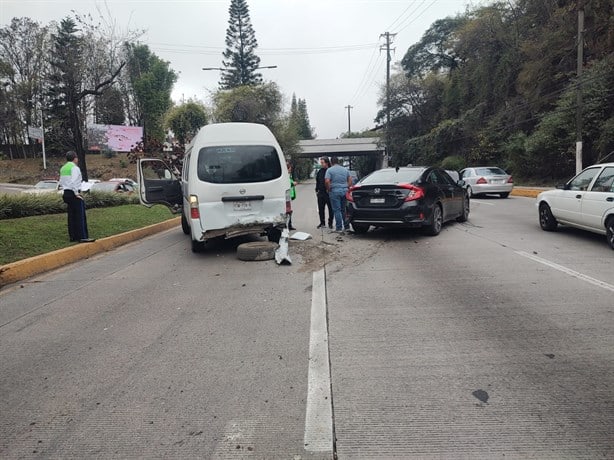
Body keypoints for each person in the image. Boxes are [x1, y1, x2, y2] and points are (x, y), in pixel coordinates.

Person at [59, 151, 94, 243]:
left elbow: (62, 182)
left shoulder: (63, 168)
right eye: (77, 158)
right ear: (75, 158)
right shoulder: (75, 168)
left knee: (71, 216)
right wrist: (77, 193)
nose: (77, 159)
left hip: (66, 193)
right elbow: (74, 182)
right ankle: (82, 236)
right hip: (74, 193)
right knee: (80, 215)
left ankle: (73, 236)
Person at [325, 156, 353, 233]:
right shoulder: (345, 169)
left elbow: (327, 181)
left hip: (334, 191)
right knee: (343, 210)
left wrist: (328, 189)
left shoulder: (329, 170)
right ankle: (347, 227)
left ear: (331, 162)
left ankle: (339, 228)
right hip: (344, 191)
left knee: (337, 210)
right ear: (338, 162)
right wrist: (347, 187)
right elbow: (350, 179)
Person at [315, 156, 333, 229]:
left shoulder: (330, 171)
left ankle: (330, 223)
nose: (321, 164)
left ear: (327, 163)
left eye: (322, 163)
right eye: (321, 163)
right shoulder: (320, 171)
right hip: (321, 193)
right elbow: (317, 181)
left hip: (329, 192)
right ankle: (322, 223)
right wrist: (316, 190)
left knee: (331, 208)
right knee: (321, 208)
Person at [287, 161, 296, 230]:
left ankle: (289, 225)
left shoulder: (289, 174)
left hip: (289, 195)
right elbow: (288, 182)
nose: (290, 169)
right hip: (287, 195)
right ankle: (288, 225)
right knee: (288, 210)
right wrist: (293, 183)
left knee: (289, 210)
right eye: (289, 168)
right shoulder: (286, 175)